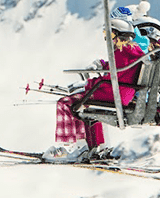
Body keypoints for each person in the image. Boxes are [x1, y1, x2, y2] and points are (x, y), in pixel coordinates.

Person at [44, 15, 145, 163]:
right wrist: (103, 67)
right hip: (122, 93)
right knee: (87, 107)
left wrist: (89, 84)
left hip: (113, 94)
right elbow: (118, 71)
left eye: (110, 35)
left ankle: (79, 146)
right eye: (106, 35)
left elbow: (111, 78)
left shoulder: (121, 54)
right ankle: (96, 148)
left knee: (66, 102)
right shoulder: (131, 52)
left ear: (121, 35)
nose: (108, 39)